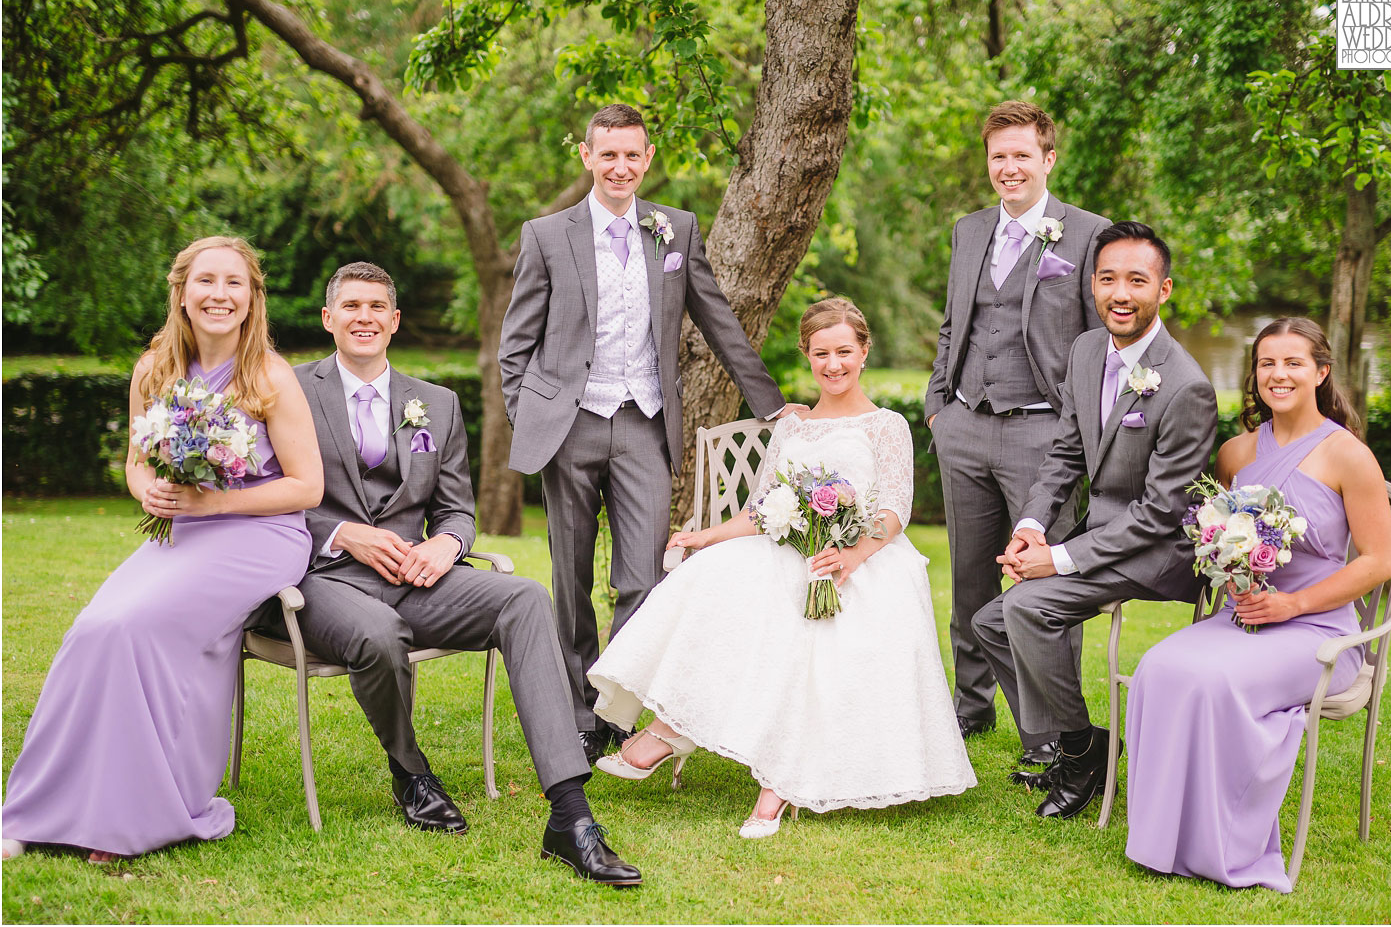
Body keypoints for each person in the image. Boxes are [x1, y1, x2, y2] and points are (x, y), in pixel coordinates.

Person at [289, 262, 639, 886]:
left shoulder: (438, 404)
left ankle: (570, 815)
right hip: (323, 579)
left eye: (377, 307)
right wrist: (343, 533)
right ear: (328, 319)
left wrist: (449, 543)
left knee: (526, 598)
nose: (364, 317)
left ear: (394, 322)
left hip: (414, 575)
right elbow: (273, 499)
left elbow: (455, 507)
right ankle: (411, 771)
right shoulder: (288, 393)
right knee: (377, 634)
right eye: (351, 307)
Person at [587, 298, 976, 837]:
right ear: (808, 356)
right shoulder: (794, 426)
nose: (833, 364)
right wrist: (705, 534)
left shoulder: (887, 425)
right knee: (713, 579)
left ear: (864, 351)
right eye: (821, 353)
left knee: (806, 615)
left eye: (844, 351)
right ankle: (672, 725)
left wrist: (852, 555)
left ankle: (778, 781)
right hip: (786, 547)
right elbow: (761, 508)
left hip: (862, 555)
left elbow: (895, 508)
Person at [1, 236, 324, 863]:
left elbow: (306, 486)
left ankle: (135, 819)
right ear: (180, 293)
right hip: (187, 532)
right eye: (206, 281)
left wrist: (213, 503)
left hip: (262, 535)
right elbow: (135, 461)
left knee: (133, 627)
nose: (219, 295)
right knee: (94, 627)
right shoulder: (154, 370)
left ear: (253, 298)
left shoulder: (270, 376)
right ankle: (41, 810)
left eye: (235, 284)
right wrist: (151, 491)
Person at [499, 103, 803, 764]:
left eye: (632, 155)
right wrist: (533, 416)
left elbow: (719, 319)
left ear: (647, 157)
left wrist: (769, 402)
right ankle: (579, 709)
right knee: (570, 576)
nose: (620, 166)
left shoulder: (675, 229)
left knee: (643, 576)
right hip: (571, 425)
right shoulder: (547, 235)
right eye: (608, 155)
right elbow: (515, 345)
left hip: (642, 424)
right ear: (587, 156)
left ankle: (620, 701)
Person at [1124, 317, 1391, 892]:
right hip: (1244, 616)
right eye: (1267, 362)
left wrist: (1293, 605)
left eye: (1294, 363)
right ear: (1255, 373)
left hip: (1319, 632)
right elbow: (1220, 540)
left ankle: (1224, 843)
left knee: (1216, 681)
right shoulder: (1235, 454)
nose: (1279, 374)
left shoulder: (1350, 456)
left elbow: (1378, 563)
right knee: (1160, 667)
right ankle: (1163, 839)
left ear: (1321, 372)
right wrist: (1230, 568)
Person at [971, 222, 1218, 820]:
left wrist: (1055, 558)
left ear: (1164, 290)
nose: (1120, 293)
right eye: (1108, 278)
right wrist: (1032, 524)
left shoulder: (1187, 388)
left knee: (1028, 606)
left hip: (1157, 551)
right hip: (1098, 533)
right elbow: (1066, 454)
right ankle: (1075, 743)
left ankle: (1079, 752)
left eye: (1137, 279)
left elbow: (1163, 511)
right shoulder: (1086, 351)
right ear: (1092, 283)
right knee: (991, 621)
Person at [925, 100, 1111, 768]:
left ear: (1048, 159)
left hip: (1044, 437)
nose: (1009, 168)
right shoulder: (968, 229)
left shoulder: (1088, 236)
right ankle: (968, 711)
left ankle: (1054, 735)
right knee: (970, 580)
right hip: (966, 426)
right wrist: (938, 405)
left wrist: (1081, 433)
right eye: (998, 156)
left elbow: (1098, 346)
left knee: (1039, 589)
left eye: (1021, 155)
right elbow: (955, 323)